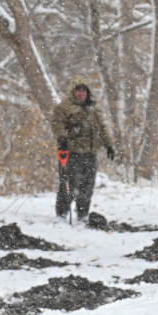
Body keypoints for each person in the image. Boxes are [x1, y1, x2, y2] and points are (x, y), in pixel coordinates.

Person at [51, 78, 114, 223]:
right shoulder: (64, 108)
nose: (81, 93)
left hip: (90, 154)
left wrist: (108, 145)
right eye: (78, 90)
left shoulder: (92, 108)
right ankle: (61, 215)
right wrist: (62, 139)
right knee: (69, 185)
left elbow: (102, 127)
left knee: (87, 187)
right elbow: (57, 125)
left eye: (84, 90)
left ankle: (83, 215)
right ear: (73, 92)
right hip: (72, 153)